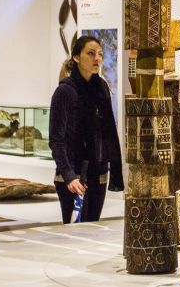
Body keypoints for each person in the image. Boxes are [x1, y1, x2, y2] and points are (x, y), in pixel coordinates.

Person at [49, 36, 124, 224]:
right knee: (74, 229)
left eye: (100, 54)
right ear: (76, 57)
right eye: (91, 54)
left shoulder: (101, 88)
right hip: (73, 173)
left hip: (98, 172)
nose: (97, 59)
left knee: (93, 228)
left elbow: (108, 131)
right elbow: (56, 139)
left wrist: (113, 166)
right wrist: (68, 175)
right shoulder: (64, 91)